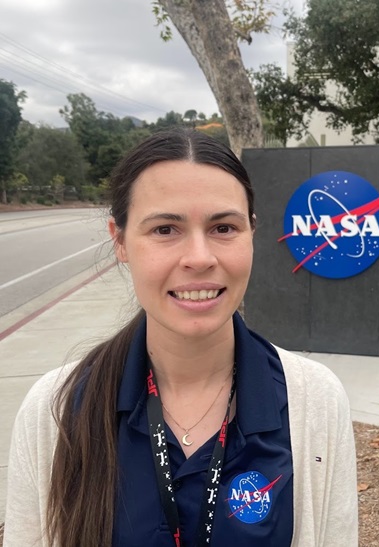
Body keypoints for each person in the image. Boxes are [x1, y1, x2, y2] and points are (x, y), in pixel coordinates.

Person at [3, 128, 358, 547]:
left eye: (223, 228)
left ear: (252, 234)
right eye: (165, 230)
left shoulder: (315, 400)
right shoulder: (56, 410)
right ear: (120, 241)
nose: (199, 258)